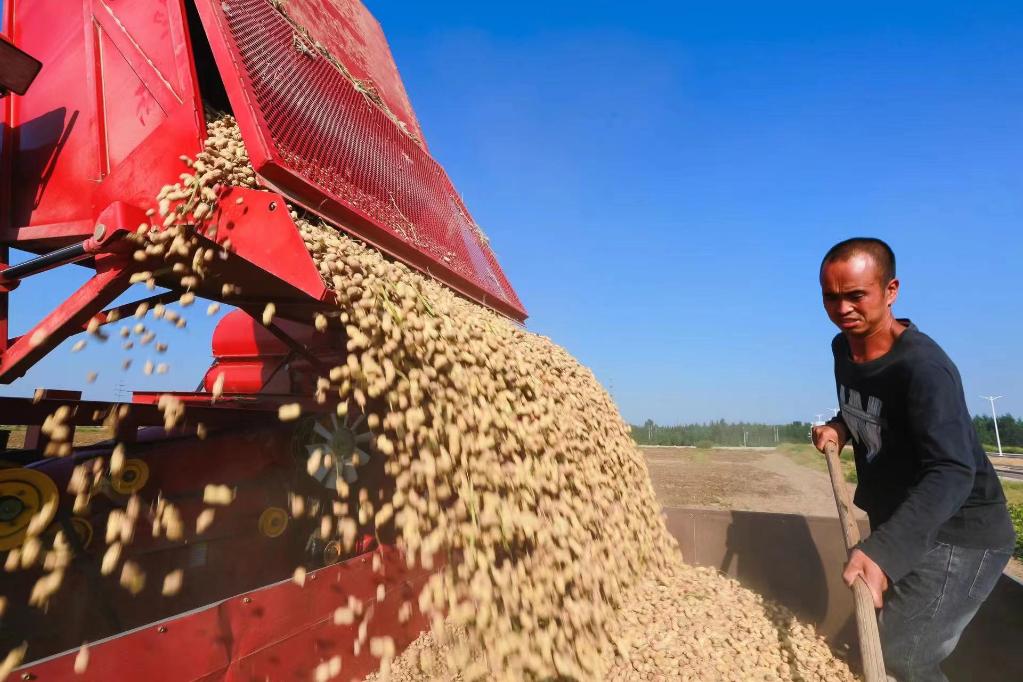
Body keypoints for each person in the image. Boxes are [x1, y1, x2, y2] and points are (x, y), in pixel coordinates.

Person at [810, 237, 1015, 682]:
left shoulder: (924, 369)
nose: (842, 308)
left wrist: (883, 551)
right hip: (906, 519)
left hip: (960, 533)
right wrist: (840, 426)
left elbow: (952, 470)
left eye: (856, 295)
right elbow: (866, 406)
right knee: (884, 639)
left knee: (903, 653)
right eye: (831, 296)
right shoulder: (843, 349)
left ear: (890, 290)